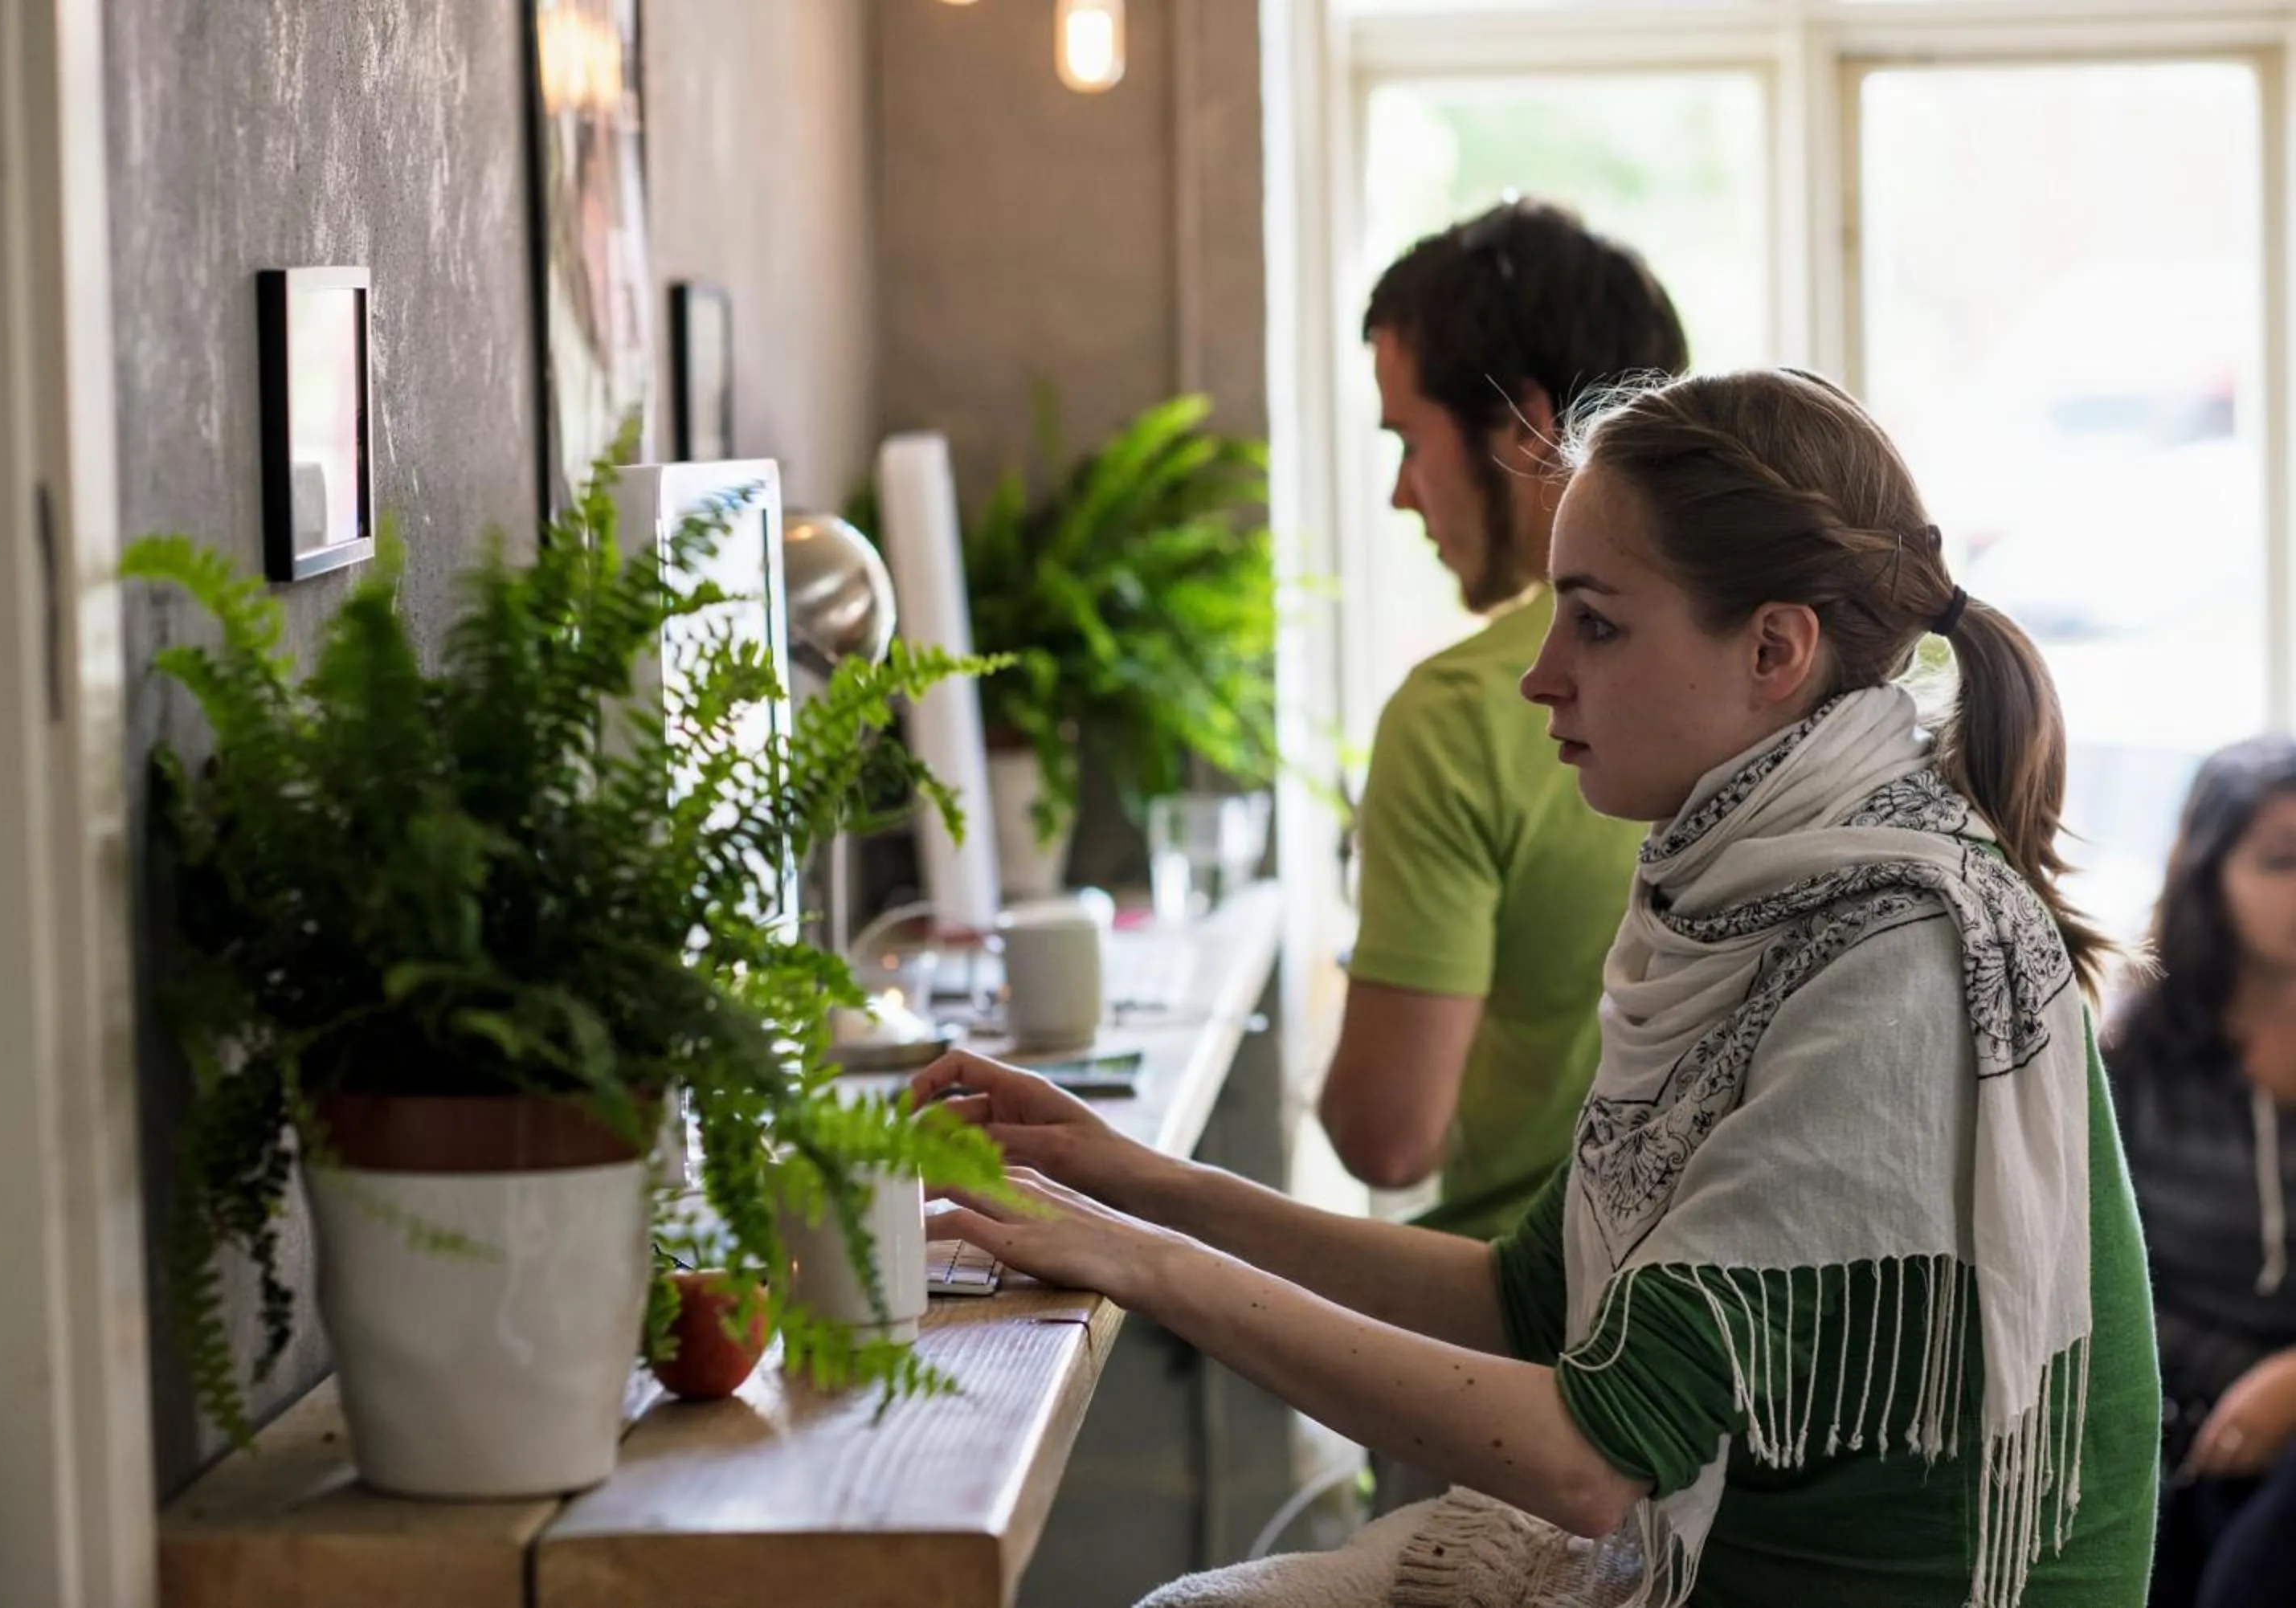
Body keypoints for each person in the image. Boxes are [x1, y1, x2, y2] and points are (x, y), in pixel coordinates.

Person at [917, 369, 2159, 1606]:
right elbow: (1529, 1295)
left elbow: (1590, 1459)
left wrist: (1146, 1263)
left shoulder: (1898, 964)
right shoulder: (1763, 887)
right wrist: (1133, 1177)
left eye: (1598, 623)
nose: (1543, 674)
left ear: (1776, 649)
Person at [1320, 198, 1688, 1247]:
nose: (1401, 494)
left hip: (1512, 1318)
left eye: (1409, 439)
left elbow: (1388, 1137)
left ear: (1527, 427)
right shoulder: (1760, 663)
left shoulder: (1460, 713)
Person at [2103, 737, 2296, 1608]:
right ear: (2206, 870)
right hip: (2172, 1413)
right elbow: (2097, 1274)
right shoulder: (2133, 1055)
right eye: (2283, 860)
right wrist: (2229, 1396)